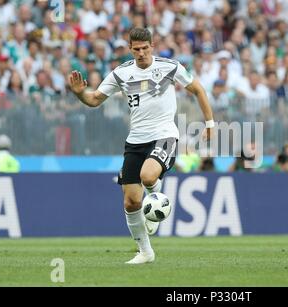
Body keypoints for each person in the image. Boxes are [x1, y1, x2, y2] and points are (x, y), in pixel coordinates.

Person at [68, 28, 214, 264]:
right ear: (130, 49)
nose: (141, 53)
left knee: (148, 176)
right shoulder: (122, 73)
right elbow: (94, 100)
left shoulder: (169, 67)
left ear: (152, 46)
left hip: (164, 135)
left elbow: (197, 89)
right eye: (136, 49)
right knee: (131, 201)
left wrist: (210, 122)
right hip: (135, 141)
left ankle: (156, 199)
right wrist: (79, 93)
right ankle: (145, 252)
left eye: (145, 48)